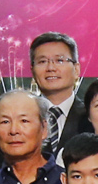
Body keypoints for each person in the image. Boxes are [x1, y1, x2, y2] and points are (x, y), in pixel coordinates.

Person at [29, 31, 84, 162]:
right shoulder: (15, 120)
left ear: (76, 70)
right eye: (42, 61)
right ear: (32, 71)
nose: (51, 68)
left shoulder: (94, 117)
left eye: (59, 60)